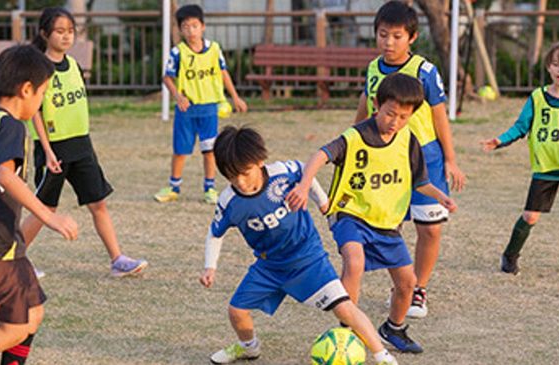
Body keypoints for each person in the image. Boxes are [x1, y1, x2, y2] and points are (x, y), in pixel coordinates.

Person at [287, 74, 457, 353]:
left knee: (407, 284)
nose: (395, 121)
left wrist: (441, 197)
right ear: (376, 105)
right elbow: (320, 155)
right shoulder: (356, 136)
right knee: (354, 262)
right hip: (349, 213)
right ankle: (347, 331)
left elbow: (420, 182)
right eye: (390, 113)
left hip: (387, 222)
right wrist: (305, 186)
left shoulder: (408, 140)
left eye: (404, 116)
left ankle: (394, 328)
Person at [199, 126, 398, 365]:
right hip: (269, 267)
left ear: (260, 161)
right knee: (236, 311)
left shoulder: (282, 173)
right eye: (232, 176)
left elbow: (307, 173)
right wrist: (210, 267)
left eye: (245, 172)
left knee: (344, 307)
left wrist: (324, 203)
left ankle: (382, 355)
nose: (240, 182)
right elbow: (215, 233)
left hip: (308, 259)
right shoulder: (228, 201)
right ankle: (248, 347)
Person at [0, 45, 78, 365]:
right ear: (26, 89)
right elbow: (4, 173)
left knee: (33, 313)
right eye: (43, 93)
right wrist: (49, 216)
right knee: (15, 327)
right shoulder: (12, 126)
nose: (42, 101)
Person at [352, 1, 466, 319]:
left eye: (397, 36)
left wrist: (450, 159)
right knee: (389, 225)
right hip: (385, 159)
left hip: (424, 157)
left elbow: (439, 115)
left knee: (429, 229)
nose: (389, 42)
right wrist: (352, 137)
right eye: (383, 35)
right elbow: (366, 103)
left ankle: (418, 288)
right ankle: (402, 282)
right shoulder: (374, 68)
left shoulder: (424, 71)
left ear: (412, 38)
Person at [21, 7, 147, 277]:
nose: (66, 37)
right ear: (44, 33)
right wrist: (46, 149)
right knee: (45, 208)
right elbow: (34, 112)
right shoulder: (39, 69)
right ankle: (12, 260)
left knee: (98, 202)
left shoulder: (74, 66)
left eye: (70, 31)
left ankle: (117, 260)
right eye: (59, 31)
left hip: (81, 146)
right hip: (54, 149)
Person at [481, 40, 559, 274]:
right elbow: (520, 127)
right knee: (530, 217)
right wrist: (500, 140)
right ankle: (510, 256)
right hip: (546, 170)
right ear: (548, 68)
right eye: (555, 64)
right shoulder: (537, 98)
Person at [153, 4, 247, 204]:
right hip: (186, 110)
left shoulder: (214, 49)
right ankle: (174, 187)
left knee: (209, 151)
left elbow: (223, 73)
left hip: (209, 109)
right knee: (180, 151)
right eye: (185, 27)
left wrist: (235, 97)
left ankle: (210, 188)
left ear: (203, 26)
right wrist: (178, 96)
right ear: (180, 29)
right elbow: (167, 78)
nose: (190, 30)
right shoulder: (178, 53)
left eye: (194, 26)